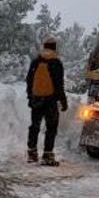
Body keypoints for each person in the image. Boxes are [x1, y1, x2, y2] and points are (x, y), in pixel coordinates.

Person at [26, 36, 68, 166]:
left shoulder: (36, 62)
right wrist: (63, 101)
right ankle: (47, 155)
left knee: (35, 126)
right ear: (54, 48)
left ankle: (32, 153)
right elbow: (59, 85)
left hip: (36, 99)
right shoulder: (56, 63)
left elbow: (29, 81)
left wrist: (30, 97)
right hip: (50, 101)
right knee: (51, 127)